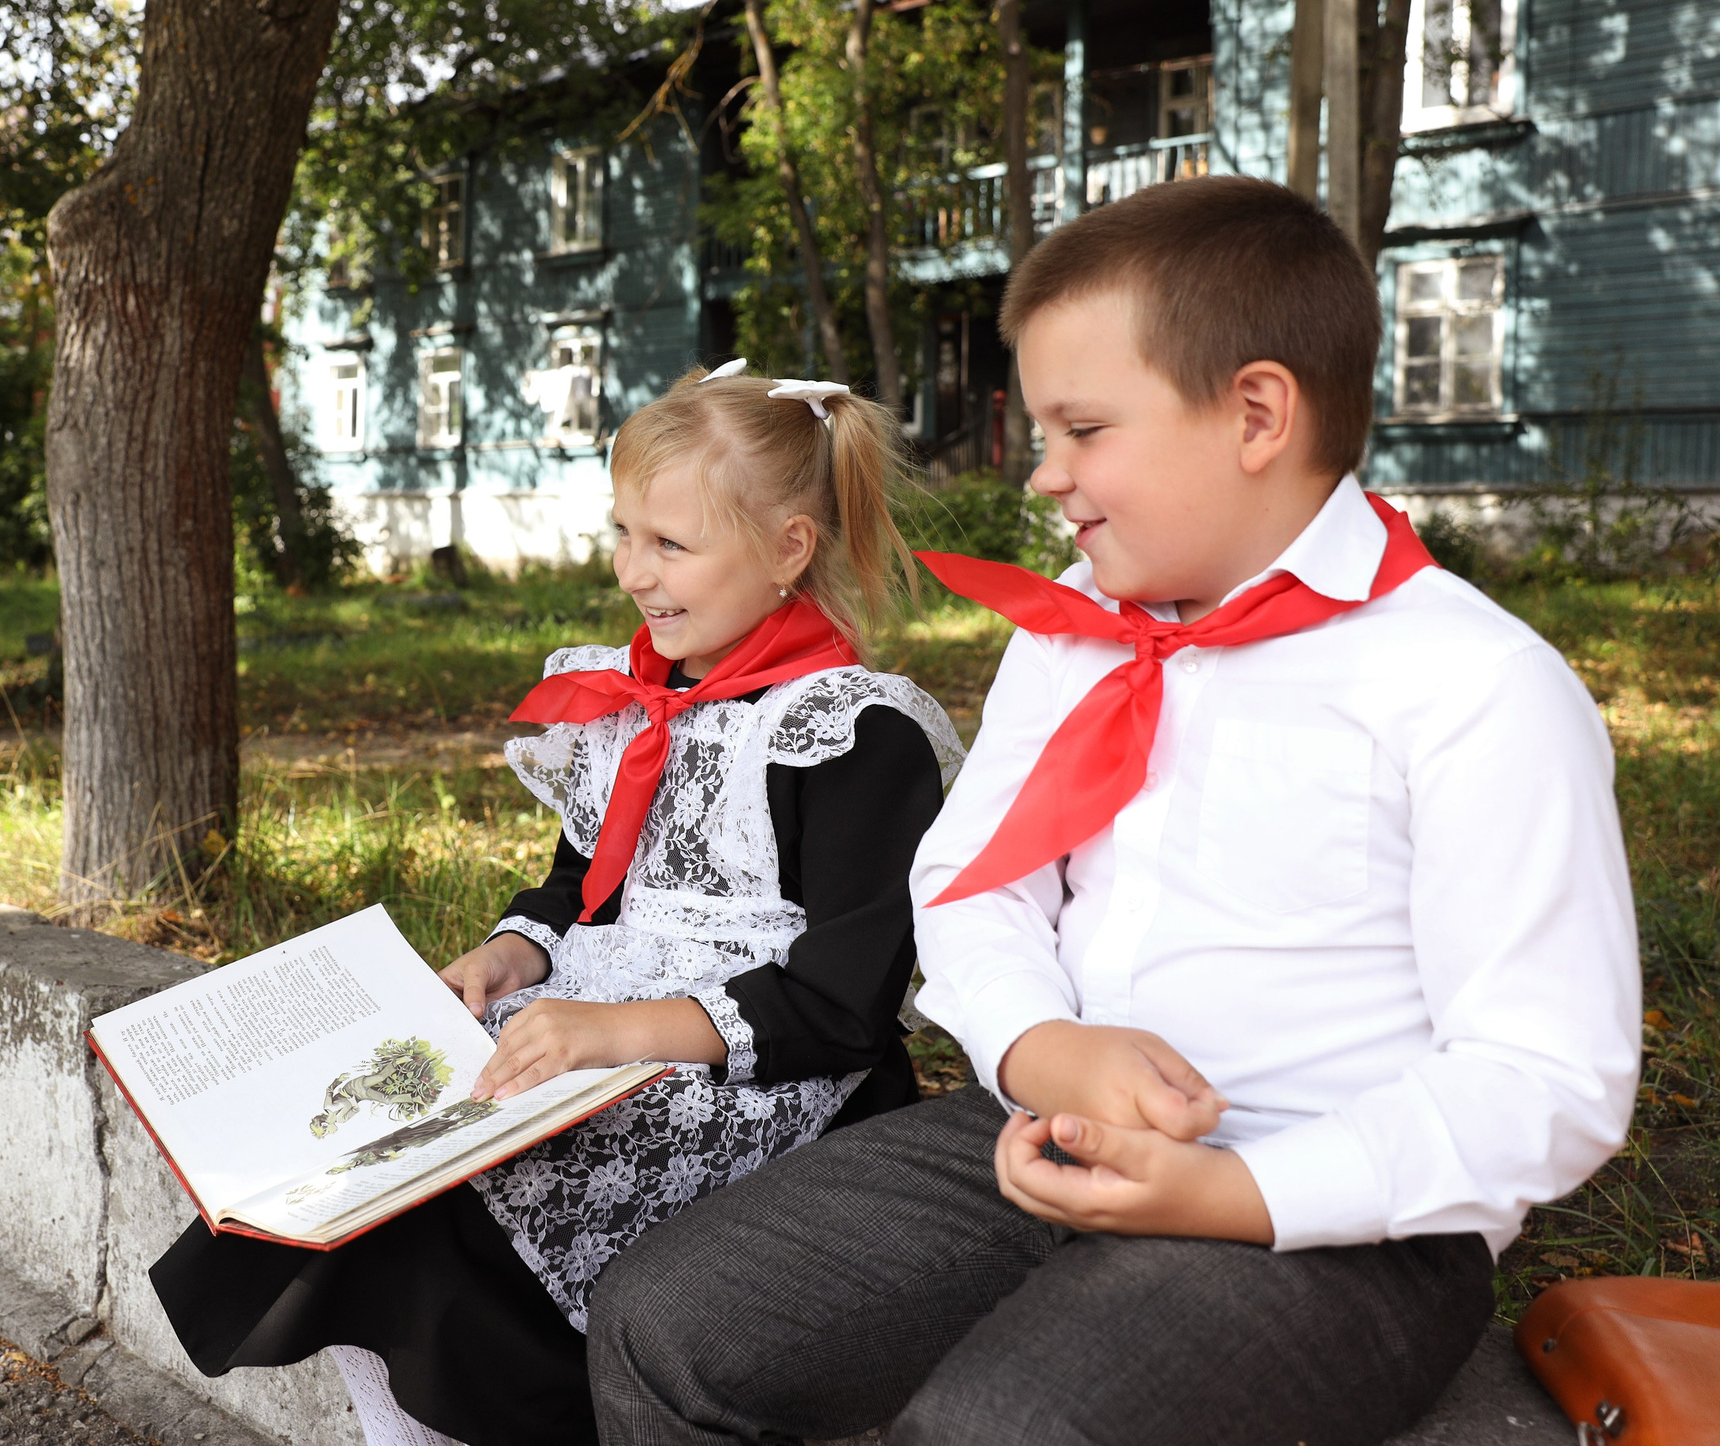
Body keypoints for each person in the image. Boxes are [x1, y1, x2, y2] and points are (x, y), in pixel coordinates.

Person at [587, 175, 1641, 1446]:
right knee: (663, 1326)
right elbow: (970, 881)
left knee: (1001, 1427)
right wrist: (1039, 1045)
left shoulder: (1472, 685)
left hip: (1334, 1216)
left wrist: (1234, 1189)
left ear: (1255, 411)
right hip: (1044, 1131)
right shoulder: (1076, 631)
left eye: (1082, 430)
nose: (1045, 476)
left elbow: (1546, 1076)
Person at [151, 365, 965, 1446]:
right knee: (341, 1177)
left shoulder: (854, 733)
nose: (633, 572)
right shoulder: (629, 707)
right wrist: (510, 956)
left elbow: (842, 1003)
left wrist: (612, 1031)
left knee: (444, 1212)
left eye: (670, 545)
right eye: (623, 534)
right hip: (588, 1026)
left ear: (788, 549)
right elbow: (574, 890)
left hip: (757, 1072)